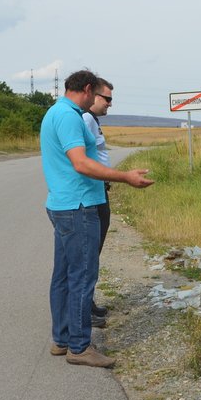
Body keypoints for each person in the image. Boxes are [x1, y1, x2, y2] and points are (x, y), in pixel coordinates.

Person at [41, 70, 153, 368]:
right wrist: (125, 177)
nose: (97, 101)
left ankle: (62, 340)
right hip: (78, 206)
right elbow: (81, 163)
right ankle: (79, 347)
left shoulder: (56, 112)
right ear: (88, 89)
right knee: (82, 276)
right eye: (98, 95)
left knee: (64, 275)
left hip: (63, 204)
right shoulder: (69, 116)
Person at [81, 78, 114, 325]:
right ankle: (84, 309)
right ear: (93, 95)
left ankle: (88, 303)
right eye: (107, 99)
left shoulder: (93, 120)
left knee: (95, 252)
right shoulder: (85, 119)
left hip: (100, 190)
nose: (110, 105)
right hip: (94, 191)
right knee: (89, 255)